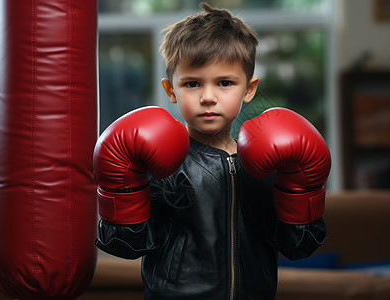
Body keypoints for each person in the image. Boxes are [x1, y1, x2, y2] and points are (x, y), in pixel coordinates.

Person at [93, 3, 331, 299]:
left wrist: (301, 194)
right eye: (192, 83)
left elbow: (298, 246)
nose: (208, 97)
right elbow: (125, 245)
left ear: (249, 89)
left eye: (224, 83)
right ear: (171, 90)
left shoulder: (268, 165)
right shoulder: (164, 166)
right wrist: (122, 192)